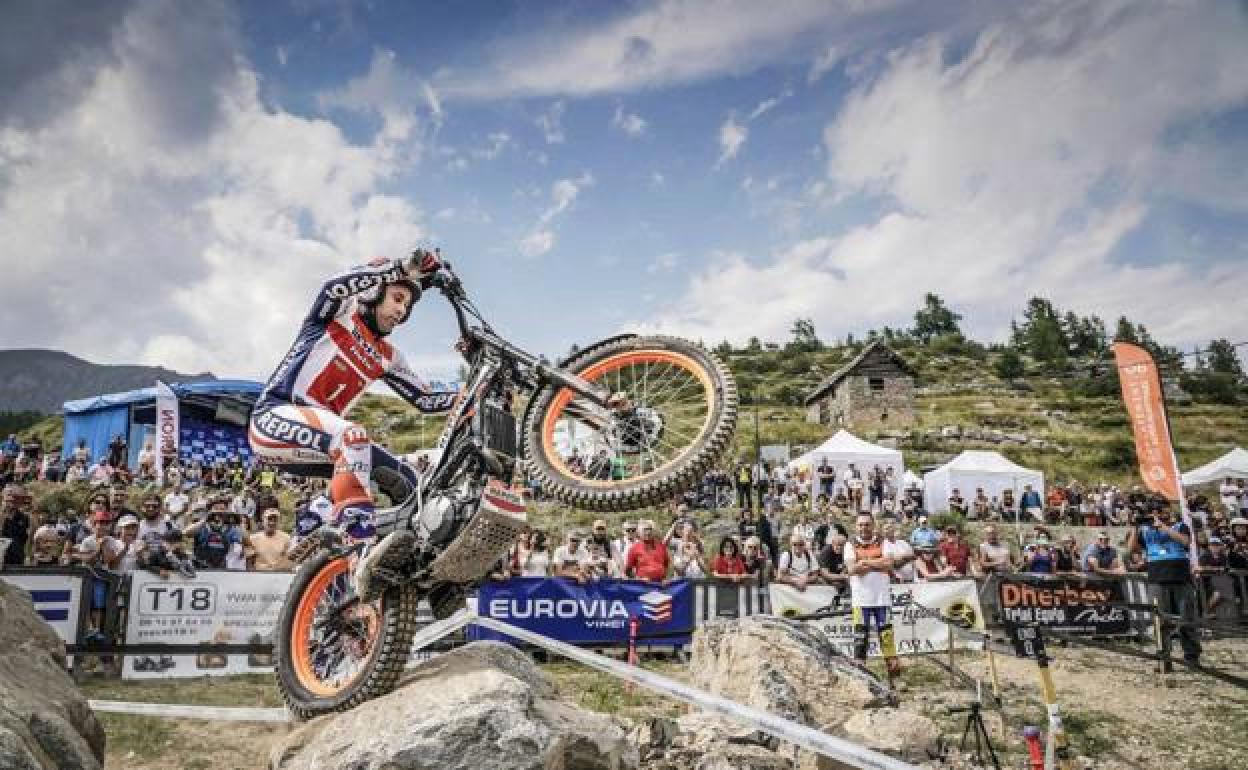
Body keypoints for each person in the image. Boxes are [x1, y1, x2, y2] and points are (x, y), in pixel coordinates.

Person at [247, 249, 458, 600]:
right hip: (273, 418)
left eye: (407, 307)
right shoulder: (335, 315)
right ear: (373, 291)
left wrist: (474, 388)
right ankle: (355, 539)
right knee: (352, 434)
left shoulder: (389, 356)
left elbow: (425, 400)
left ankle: (316, 524)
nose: (401, 311)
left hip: (325, 444)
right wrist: (401, 268)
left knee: (412, 483)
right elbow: (333, 286)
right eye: (398, 298)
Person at [1127, 499, 1200, 667]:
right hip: (1157, 578)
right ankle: (1164, 658)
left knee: (1186, 619)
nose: (1157, 515)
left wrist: (1163, 527)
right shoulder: (1144, 530)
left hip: (1181, 577)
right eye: (1154, 512)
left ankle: (1192, 656)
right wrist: (1134, 528)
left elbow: (1185, 541)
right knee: (1160, 621)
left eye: (1161, 511)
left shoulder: (1180, 525)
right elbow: (1131, 549)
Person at [843, 514, 901, 682]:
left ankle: (895, 681)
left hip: (882, 599)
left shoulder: (884, 542)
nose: (864, 528)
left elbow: (889, 564)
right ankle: (860, 681)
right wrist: (876, 562)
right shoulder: (850, 544)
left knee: (887, 639)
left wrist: (865, 562)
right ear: (856, 526)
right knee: (860, 641)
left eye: (867, 524)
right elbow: (852, 569)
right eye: (860, 525)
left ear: (873, 525)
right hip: (861, 601)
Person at [1, 484, 34, 567]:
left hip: (17, 562)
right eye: (9, 495)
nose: (12, 499)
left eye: (16, 497)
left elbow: (28, 541)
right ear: (2, 496)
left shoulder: (24, 518)